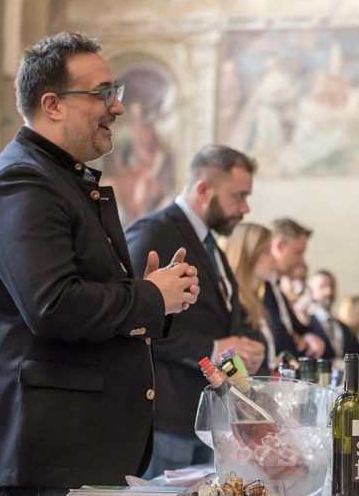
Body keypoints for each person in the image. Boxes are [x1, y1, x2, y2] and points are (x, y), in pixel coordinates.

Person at [0, 32, 200, 491]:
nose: (118, 107)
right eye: (102, 93)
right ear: (52, 105)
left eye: (116, 91)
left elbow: (81, 296)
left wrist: (154, 296)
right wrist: (150, 297)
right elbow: (53, 305)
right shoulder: (22, 182)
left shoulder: (59, 178)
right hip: (45, 454)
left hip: (73, 449)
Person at [125, 145, 266, 477]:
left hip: (204, 418)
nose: (245, 208)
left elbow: (216, 318)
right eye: (238, 196)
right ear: (204, 190)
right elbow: (132, 318)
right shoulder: (155, 232)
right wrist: (213, 348)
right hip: (166, 417)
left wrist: (239, 349)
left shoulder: (208, 243)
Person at [262, 218, 324, 360]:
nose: (301, 260)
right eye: (298, 252)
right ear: (279, 246)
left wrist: (307, 336)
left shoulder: (276, 288)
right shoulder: (261, 286)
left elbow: (293, 328)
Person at [226, 222, 284, 372]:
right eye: (267, 252)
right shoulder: (232, 304)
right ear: (249, 254)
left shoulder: (256, 301)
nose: (274, 260)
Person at [305, 270, 359, 364]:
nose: (329, 291)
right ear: (311, 291)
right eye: (322, 287)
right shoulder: (305, 325)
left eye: (332, 286)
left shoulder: (345, 328)